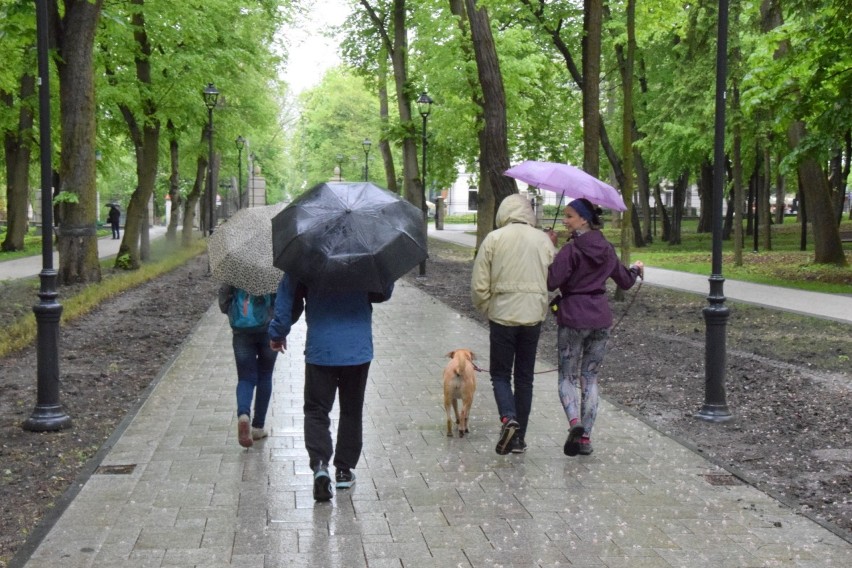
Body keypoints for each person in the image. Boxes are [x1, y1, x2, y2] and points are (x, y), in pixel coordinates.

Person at [268, 273, 393, 502]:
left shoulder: (306, 252)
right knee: (351, 410)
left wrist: (278, 332)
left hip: (321, 348)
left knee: (316, 410)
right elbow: (382, 293)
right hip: (357, 349)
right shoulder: (364, 251)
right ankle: (344, 471)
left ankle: (320, 466)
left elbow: (288, 297)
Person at [546, 198, 644, 457]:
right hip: (600, 319)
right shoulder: (607, 249)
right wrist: (635, 270)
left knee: (567, 376)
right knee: (589, 377)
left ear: (584, 220)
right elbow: (625, 282)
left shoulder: (571, 250)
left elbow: (551, 281)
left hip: (572, 319)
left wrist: (551, 249)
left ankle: (574, 423)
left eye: (569, 216)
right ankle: (585, 438)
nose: (565, 221)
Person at [471, 194, 556, 455]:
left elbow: (479, 284)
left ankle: (508, 418)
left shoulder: (494, 239)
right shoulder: (542, 239)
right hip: (532, 318)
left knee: (499, 374)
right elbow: (553, 278)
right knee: (524, 378)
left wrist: (488, 307)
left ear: (503, 213)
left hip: (502, 317)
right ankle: (519, 439)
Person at [218, 284, 278, 449]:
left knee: (245, 377)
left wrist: (232, 312)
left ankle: (243, 415)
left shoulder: (235, 269)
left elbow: (223, 301)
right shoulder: (274, 270)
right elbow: (284, 301)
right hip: (269, 329)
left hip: (241, 331)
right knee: (265, 375)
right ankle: (258, 427)